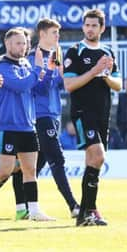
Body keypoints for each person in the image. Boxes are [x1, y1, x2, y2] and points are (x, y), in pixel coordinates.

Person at [0, 27, 54, 223]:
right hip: (9, 125)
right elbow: (20, 85)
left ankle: (34, 210)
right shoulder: (1, 65)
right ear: (7, 44)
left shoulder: (26, 63)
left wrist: (49, 70)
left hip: (27, 125)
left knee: (29, 170)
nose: (22, 47)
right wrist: (38, 69)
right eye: (18, 43)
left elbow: (39, 88)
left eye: (24, 43)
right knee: (4, 170)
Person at [63, 9, 122, 226]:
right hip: (82, 112)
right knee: (98, 156)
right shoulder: (75, 51)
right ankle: (85, 213)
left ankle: (89, 211)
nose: (89, 29)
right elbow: (69, 85)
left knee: (93, 161)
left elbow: (117, 84)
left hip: (102, 114)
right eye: (87, 25)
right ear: (82, 27)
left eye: (94, 25)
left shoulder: (107, 53)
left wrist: (106, 75)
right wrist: (95, 70)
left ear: (102, 28)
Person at [28, 19, 79, 218]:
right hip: (41, 115)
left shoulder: (56, 54)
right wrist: (50, 70)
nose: (58, 36)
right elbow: (38, 88)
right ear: (42, 34)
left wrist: (59, 74)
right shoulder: (34, 55)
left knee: (35, 165)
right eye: (54, 33)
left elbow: (58, 84)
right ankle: (74, 206)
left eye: (58, 33)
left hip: (54, 113)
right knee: (57, 159)